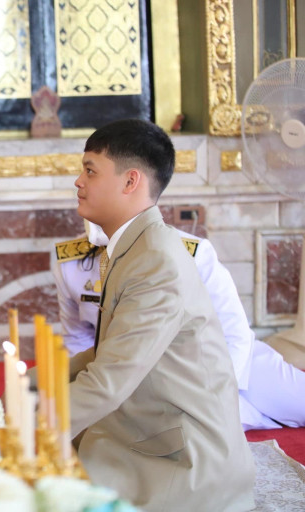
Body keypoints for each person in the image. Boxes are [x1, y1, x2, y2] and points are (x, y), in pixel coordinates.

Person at [69, 119, 255, 511]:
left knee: (39, 484)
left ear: (130, 181)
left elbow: (107, 382)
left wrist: (26, 422)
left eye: (90, 170)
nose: (78, 182)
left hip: (184, 457)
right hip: (155, 423)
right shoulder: (139, 244)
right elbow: (109, 352)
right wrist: (33, 381)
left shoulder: (155, 259)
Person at [55, 220, 305, 431]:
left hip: (232, 362)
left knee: (297, 403)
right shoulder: (71, 262)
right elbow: (78, 339)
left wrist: (222, 395)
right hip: (154, 379)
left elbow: (234, 332)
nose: (80, 185)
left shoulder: (190, 252)